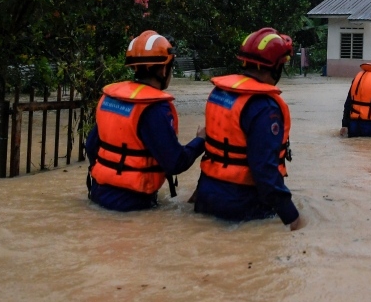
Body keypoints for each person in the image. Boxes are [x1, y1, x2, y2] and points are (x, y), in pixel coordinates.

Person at [193, 28, 306, 230]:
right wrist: (292, 217)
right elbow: (264, 172)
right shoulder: (265, 108)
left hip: (206, 196)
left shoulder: (220, 92)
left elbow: (215, 151)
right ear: (276, 68)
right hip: (243, 205)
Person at [85, 31, 206, 212]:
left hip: (97, 194)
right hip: (133, 205)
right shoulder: (154, 108)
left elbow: (91, 146)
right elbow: (175, 163)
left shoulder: (111, 99)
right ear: (164, 69)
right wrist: (200, 140)